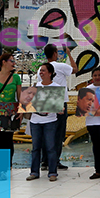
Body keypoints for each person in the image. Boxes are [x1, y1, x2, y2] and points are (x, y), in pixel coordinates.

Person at [41, 43, 77, 171]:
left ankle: (45, 161)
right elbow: (75, 69)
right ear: (55, 53)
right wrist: (69, 54)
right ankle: (54, 161)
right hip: (59, 100)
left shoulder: (42, 68)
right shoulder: (61, 66)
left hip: (47, 100)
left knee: (47, 131)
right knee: (58, 133)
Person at [27, 63, 60, 182]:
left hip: (50, 121)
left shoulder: (56, 87)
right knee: (35, 148)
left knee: (51, 147)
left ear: (50, 73)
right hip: (35, 121)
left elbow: (59, 105)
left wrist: (57, 108)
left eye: (43, 70)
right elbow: (28, 103)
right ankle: (34, 172)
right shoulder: (35, 86)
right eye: (40, 70)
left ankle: (53, 172)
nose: (41, 73)